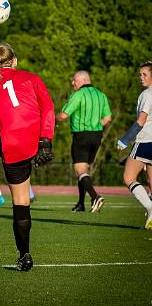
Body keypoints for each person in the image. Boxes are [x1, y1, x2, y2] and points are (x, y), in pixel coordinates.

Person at [0, 43, 55, 271]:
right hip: (36, 140)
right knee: (23, 199)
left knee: (21, 203)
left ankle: (25, 255)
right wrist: (46, 140)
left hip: (12, 144)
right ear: (15, 60)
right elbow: (47, 107)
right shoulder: (32, 77)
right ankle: (24, 254)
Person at [56, 70, 111, 213]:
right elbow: (107, 119)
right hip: (97, 135)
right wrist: (95, 125)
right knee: (84, 171)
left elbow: (63, 115)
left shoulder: (78, 94)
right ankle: (81, 203)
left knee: (80, 170)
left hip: (82, 136)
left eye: (74, 80)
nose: (72, 83)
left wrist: (52, 120)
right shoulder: (101, 95)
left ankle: (95, 197)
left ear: (83, 80)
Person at [117, 60, 152, 230]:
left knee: (128, 178)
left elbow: (141, 121)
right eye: (140, 74)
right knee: (151, 183)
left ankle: (151, 208)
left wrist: (125, 139)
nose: (141, 77)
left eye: (144, 74)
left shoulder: (147, 94)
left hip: (145, 142)